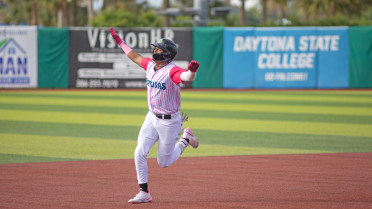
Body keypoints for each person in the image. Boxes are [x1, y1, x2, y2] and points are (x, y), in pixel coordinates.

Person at [109, 28, 200, 204]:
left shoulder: (172, 71)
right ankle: (144, 192)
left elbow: (186, 77)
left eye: (159, 49)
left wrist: (192, 71)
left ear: (167, 54)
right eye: (155, 48)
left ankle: (185, 139)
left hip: (169, 122)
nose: (155, 51)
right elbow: (134, 56)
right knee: (139, 152)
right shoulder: (150, 64)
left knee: (163, 162)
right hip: (151, 117)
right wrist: (120, 42)